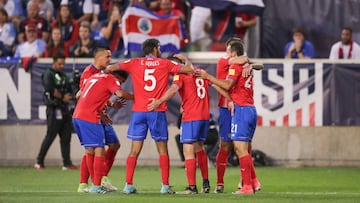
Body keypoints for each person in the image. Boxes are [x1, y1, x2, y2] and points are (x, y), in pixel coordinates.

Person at [106, 38, 194, 194]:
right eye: (159, 47)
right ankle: (165, 186)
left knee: (134, 151)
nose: (160, 50)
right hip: (156, 110)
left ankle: (128, 185)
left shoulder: (134, 62)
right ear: (154, 49)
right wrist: (185, 60)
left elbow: (111, 68)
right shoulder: (165, 63)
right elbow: (189, 70)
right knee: (162, 150)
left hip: (139, 112)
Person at [196, 41, 261, 195]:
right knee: (229, 145)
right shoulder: (231, 61)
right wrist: (246, 62)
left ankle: (249, 183)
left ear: (232, 51)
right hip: (235, 107)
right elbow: (240, 61)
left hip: (240, 108)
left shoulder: (237, 63)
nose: (226, 54)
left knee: (242, 147)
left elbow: (226, 84)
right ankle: (223, 183)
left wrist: (208, 77)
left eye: (227, 51)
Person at [147, 54, 216, 194]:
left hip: (191, 116)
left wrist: (159, 101)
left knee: (188, 150)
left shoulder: (181, 74)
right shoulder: (198, 72)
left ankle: (192, 187)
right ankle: (206, 183)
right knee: (199, 147)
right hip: (204, 116)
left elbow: (173, 90)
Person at [73, 68, 133, 194]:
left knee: (100, 147)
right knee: (97, 149)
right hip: (90, 116)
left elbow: (82, 95)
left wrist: (104, 109)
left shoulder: (96, 76)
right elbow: (120, 94)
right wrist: (136, 97)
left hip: (81, 115)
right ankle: (94, 185)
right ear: (116, 75)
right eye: (121, 82)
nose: (120, 85)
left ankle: (97, 182)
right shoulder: (108, 78)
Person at [34, 53, 77, 170]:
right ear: (54, 62)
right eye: (59, 64)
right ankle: (39, 161)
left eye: (63, 63)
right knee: (50, 135)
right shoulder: (49, 74)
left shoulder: (64, 75)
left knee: (66, 136)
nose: (62, 66)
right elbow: (50, 89)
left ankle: (67, 163)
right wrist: (63, 97)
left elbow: (69, 89)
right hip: (54, 109)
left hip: (65, 109)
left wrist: (72, 95)